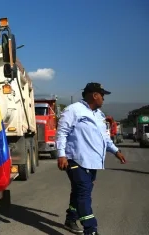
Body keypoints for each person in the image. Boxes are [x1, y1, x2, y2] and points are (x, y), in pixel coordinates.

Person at [55, 82, 126, 235]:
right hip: (75, 159)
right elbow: (62, 133)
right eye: (102, 96)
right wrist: (61, 154)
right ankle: (91, 229)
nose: (103, 99)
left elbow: (105, 138)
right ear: (95, 95)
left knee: (79, 192)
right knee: (83, 194)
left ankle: (71, 219)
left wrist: (116, 151)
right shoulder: (73, 110)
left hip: (92, 161)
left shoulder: (99, 115)